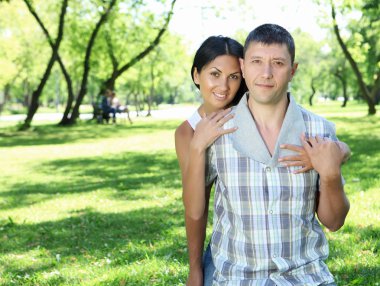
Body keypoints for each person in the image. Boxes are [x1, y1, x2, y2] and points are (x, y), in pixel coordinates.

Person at [174, 35, 350, 286]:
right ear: (196, 75)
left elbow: (334, 220)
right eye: (214, 74)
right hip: (235, 266)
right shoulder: (199, 133)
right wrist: (195, 269)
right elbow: (194, 210)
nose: (224, 86)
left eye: (233, 77)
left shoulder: (313, 128)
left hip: (301, 272)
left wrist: (336, 155)